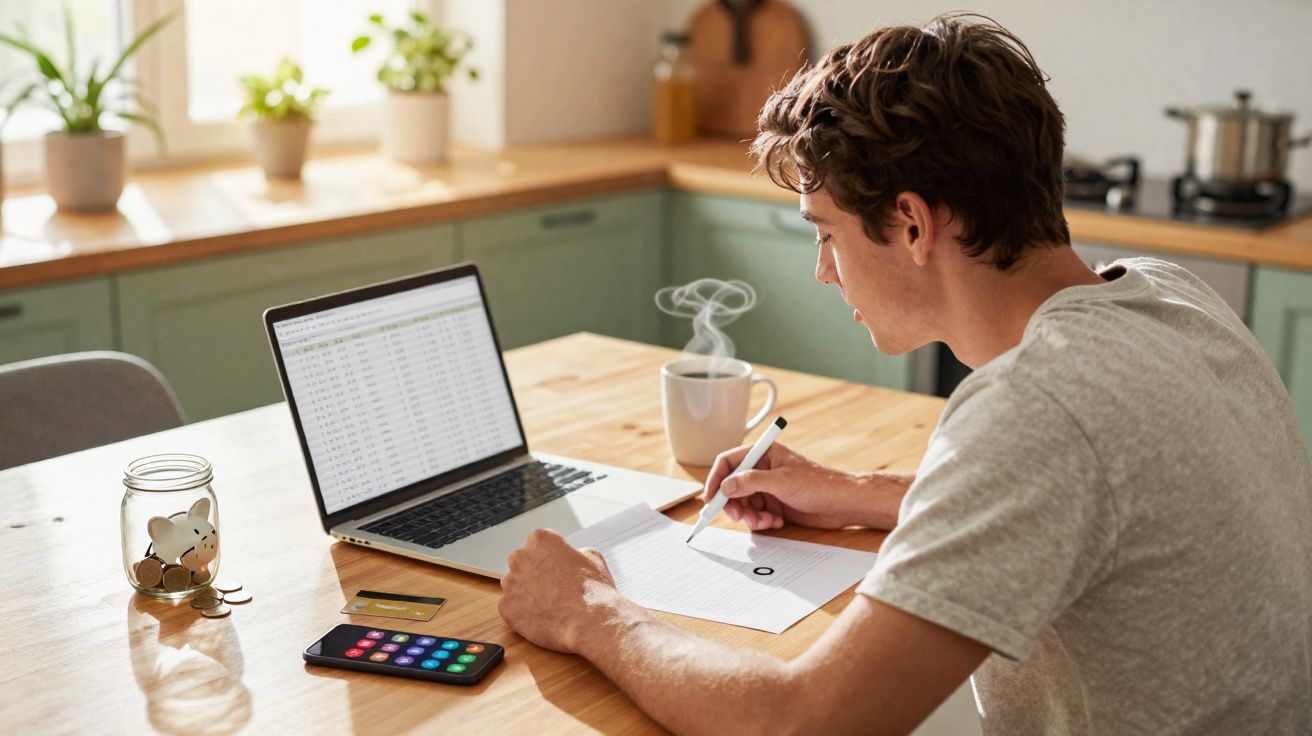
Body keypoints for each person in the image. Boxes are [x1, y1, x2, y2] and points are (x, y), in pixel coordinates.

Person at [496, 12, 1312, 735]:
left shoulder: (1035, 410)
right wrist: (857, 491)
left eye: (826, 233)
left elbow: (799, 720)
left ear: (913, 223)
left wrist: (589, 610)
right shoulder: (1170, 296)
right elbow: (1096, 494)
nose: (823, 270)